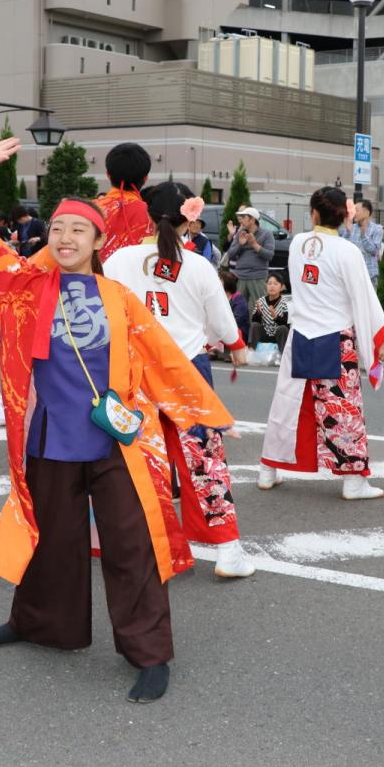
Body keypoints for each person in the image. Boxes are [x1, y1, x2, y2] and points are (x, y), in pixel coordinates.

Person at [0, 136, 235, 703]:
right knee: (51, 538)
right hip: (48, 434)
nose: (65, 237)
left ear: (100, 240)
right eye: (57, 229)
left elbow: (162, 360)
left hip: (115, 441)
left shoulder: (118, 296)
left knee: (131, 545)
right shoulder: (21, 286)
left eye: (79, 230)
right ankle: (39, 624)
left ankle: (149, 653)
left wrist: (202, 414)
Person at [104, 182, 255, 579]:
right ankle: (227, 550)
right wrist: (237, 345)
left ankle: (151, 546)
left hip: (135, 370)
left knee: (141, 458)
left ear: (148, 216)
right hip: (187, 369)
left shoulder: (120, 259)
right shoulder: (199, 264)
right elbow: (224, 324)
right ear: (189, 217)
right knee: (202, 459)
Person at [259, 187, 384, 501]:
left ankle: (268, 470)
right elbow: (363, 298)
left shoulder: (297, 243)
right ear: (344, 216)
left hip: (300, 335)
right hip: (335, 337)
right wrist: (379, 343)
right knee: (343, 409)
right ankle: (352, 481)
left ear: (313, 214)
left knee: (287, 405)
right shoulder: (346, 251)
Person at [95, 142, 154, 261]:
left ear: (108, 175)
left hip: (93, 278)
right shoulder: (153, 215)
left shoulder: (88, 209)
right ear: (145, 178)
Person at [224, 207, 275, 306]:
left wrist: (254, 244)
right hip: (241, 277)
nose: (241, 220)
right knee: (238, 308)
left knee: (261, 309)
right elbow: (230, 254)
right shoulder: (240, 233)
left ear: (252, 219)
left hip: (258, 277)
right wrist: (240, 244)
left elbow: (269, 255)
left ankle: (259, 322)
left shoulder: (266, 234)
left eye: (243, 217)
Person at [346, 199, 384, 287]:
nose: (354, 213)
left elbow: (374, 250)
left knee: (368, 301)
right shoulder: (351, 228)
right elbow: (343, 249)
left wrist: (363, 235)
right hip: (352, 275)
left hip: (369, 276)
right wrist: (348, 231)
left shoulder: (377, 229)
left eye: (356, 210)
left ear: (367, 212)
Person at [250, 273, 290, 352]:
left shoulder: (285, 302)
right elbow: (254, 321)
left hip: (278, 335)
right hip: (265, 333)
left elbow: (287, 324)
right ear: (266, 286)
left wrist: (276, 317)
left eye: (275, 284)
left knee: (283, 329)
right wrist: (258, 312)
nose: (272, 286)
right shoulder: (261, 301)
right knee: (254, 325)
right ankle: (251, 351)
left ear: (281, 287)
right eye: (269, 283)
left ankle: (282, 355)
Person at [222, 271, 250, 345]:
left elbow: (236, 321)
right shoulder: (221, 298)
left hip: (238, 333)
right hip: (225, 330)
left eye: (219, 282)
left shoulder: (239, 300)